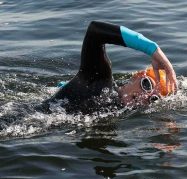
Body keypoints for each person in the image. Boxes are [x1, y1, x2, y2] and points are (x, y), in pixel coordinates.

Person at [42, 21, 177, 113]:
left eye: (154, 99)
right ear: (138, 76)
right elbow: (95, 31)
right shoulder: (98, 79)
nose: (146, 95)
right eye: (147, 85)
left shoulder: (116, 113)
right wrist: (152, 49)